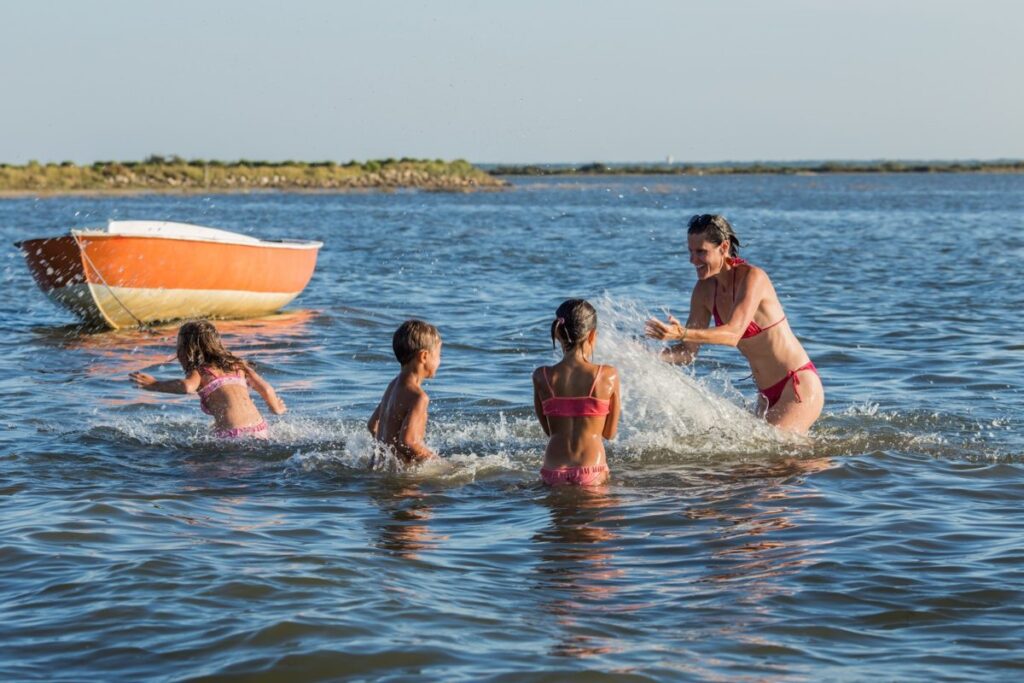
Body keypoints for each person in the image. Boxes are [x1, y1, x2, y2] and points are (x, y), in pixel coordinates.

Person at [645, 214, 823, 433]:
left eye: (701, 252)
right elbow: (688, 352)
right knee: (758, 455)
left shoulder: (753, 277)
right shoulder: (703, 291)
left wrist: (681, 332)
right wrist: (644, 354)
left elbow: (732, 334)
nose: (693, 260)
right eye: (690, 252)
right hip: (765, 397)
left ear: (724, 247)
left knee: (771, 453)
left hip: (796, 384)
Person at [129, 320, 286, 438]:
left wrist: (154, 384)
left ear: (187, 350)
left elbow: (187, 387)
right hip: (260, 428)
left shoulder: (201, 371)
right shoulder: (238, 365)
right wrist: (275, 408)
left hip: (233, 435)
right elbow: (266, 389)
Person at [532, 299, 621, 486]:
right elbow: (609, 433)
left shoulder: (542, 376)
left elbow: (549, 431)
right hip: (592, 468)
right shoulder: (608, 375)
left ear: (558, 333)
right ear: (592, 335)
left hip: (552, 468)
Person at [367, 319, 442, 466]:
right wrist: (439, 462)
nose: (440, 361)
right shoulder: (419, 397)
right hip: (400, 476)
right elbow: (407, 442)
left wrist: (383, 455)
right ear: (424, 356)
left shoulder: (392, 386)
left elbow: (372, 425)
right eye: (439, 355)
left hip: (380, 467)